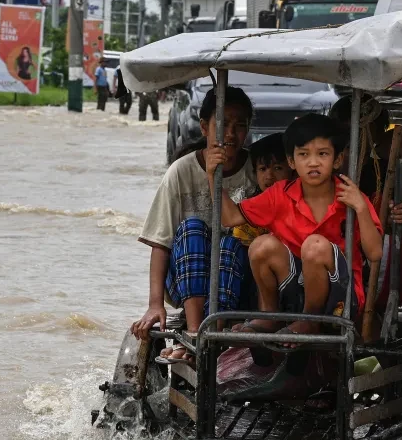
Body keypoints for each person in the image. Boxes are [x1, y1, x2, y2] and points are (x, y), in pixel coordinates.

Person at [209, 114, 383, 342]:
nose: (313, 162)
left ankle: (309, 321)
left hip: (341, 296)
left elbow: (375, 253)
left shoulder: (350, 196)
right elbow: (230, 217)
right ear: (292, 162)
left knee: (315, 245)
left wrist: (361, 208)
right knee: (262, 245)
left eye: (322, 154)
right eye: (304, 155)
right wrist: (213, 175)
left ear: (337, 159)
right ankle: (271, 315)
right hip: (296, 290)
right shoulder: (280, 193)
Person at [130, 87, 259, 361]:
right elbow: (160, 242)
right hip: (186, 283)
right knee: (193, 229)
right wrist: (155, 304)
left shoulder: (255, 171)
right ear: (204, 127)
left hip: (239, 282)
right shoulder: (181, 171)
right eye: (223, 125)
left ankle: (218, 329)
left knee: (230, 241)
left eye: (240, 126)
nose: (230, 135)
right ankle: (193, 334)